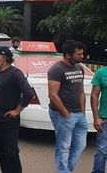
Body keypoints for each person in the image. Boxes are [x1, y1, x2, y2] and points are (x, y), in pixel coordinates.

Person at [0, 47, 35, 173]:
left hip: (8, 121)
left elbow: (28, 92)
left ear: (3, 58)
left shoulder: (15, 73)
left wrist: (17, 110)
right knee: (1, 152)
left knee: (11, 153)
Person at [48, 40, 87, 173]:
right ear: (68, 55)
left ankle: (66, 170)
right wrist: (66, 114)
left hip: (79, 115)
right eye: (78, 54)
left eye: (82, 53)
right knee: (63, 147)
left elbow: (81, 92)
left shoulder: (79, 68)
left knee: (80, 145)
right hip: (62, 114)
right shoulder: (56, 69)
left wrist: (82, 112)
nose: (82, 56)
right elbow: (53, 95)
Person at [92, 65, 107, 173]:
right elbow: (94, 95)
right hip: (104, 118)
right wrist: (96, 117)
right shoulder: (101, 73)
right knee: (102, 150)